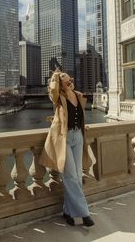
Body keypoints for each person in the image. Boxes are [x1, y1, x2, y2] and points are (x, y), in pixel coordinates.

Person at [39, 69, 94, 227]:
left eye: (70, 79)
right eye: (66, 80)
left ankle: (68, 211)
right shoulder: (58, 97)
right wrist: (56, 76)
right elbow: (53, 89)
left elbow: (78, 115)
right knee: (71, 176)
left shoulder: (77, 95)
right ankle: (84, 214)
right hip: (64, 138)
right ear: (61, 84)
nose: (69, 82)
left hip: (78, 137)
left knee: (76, 174)